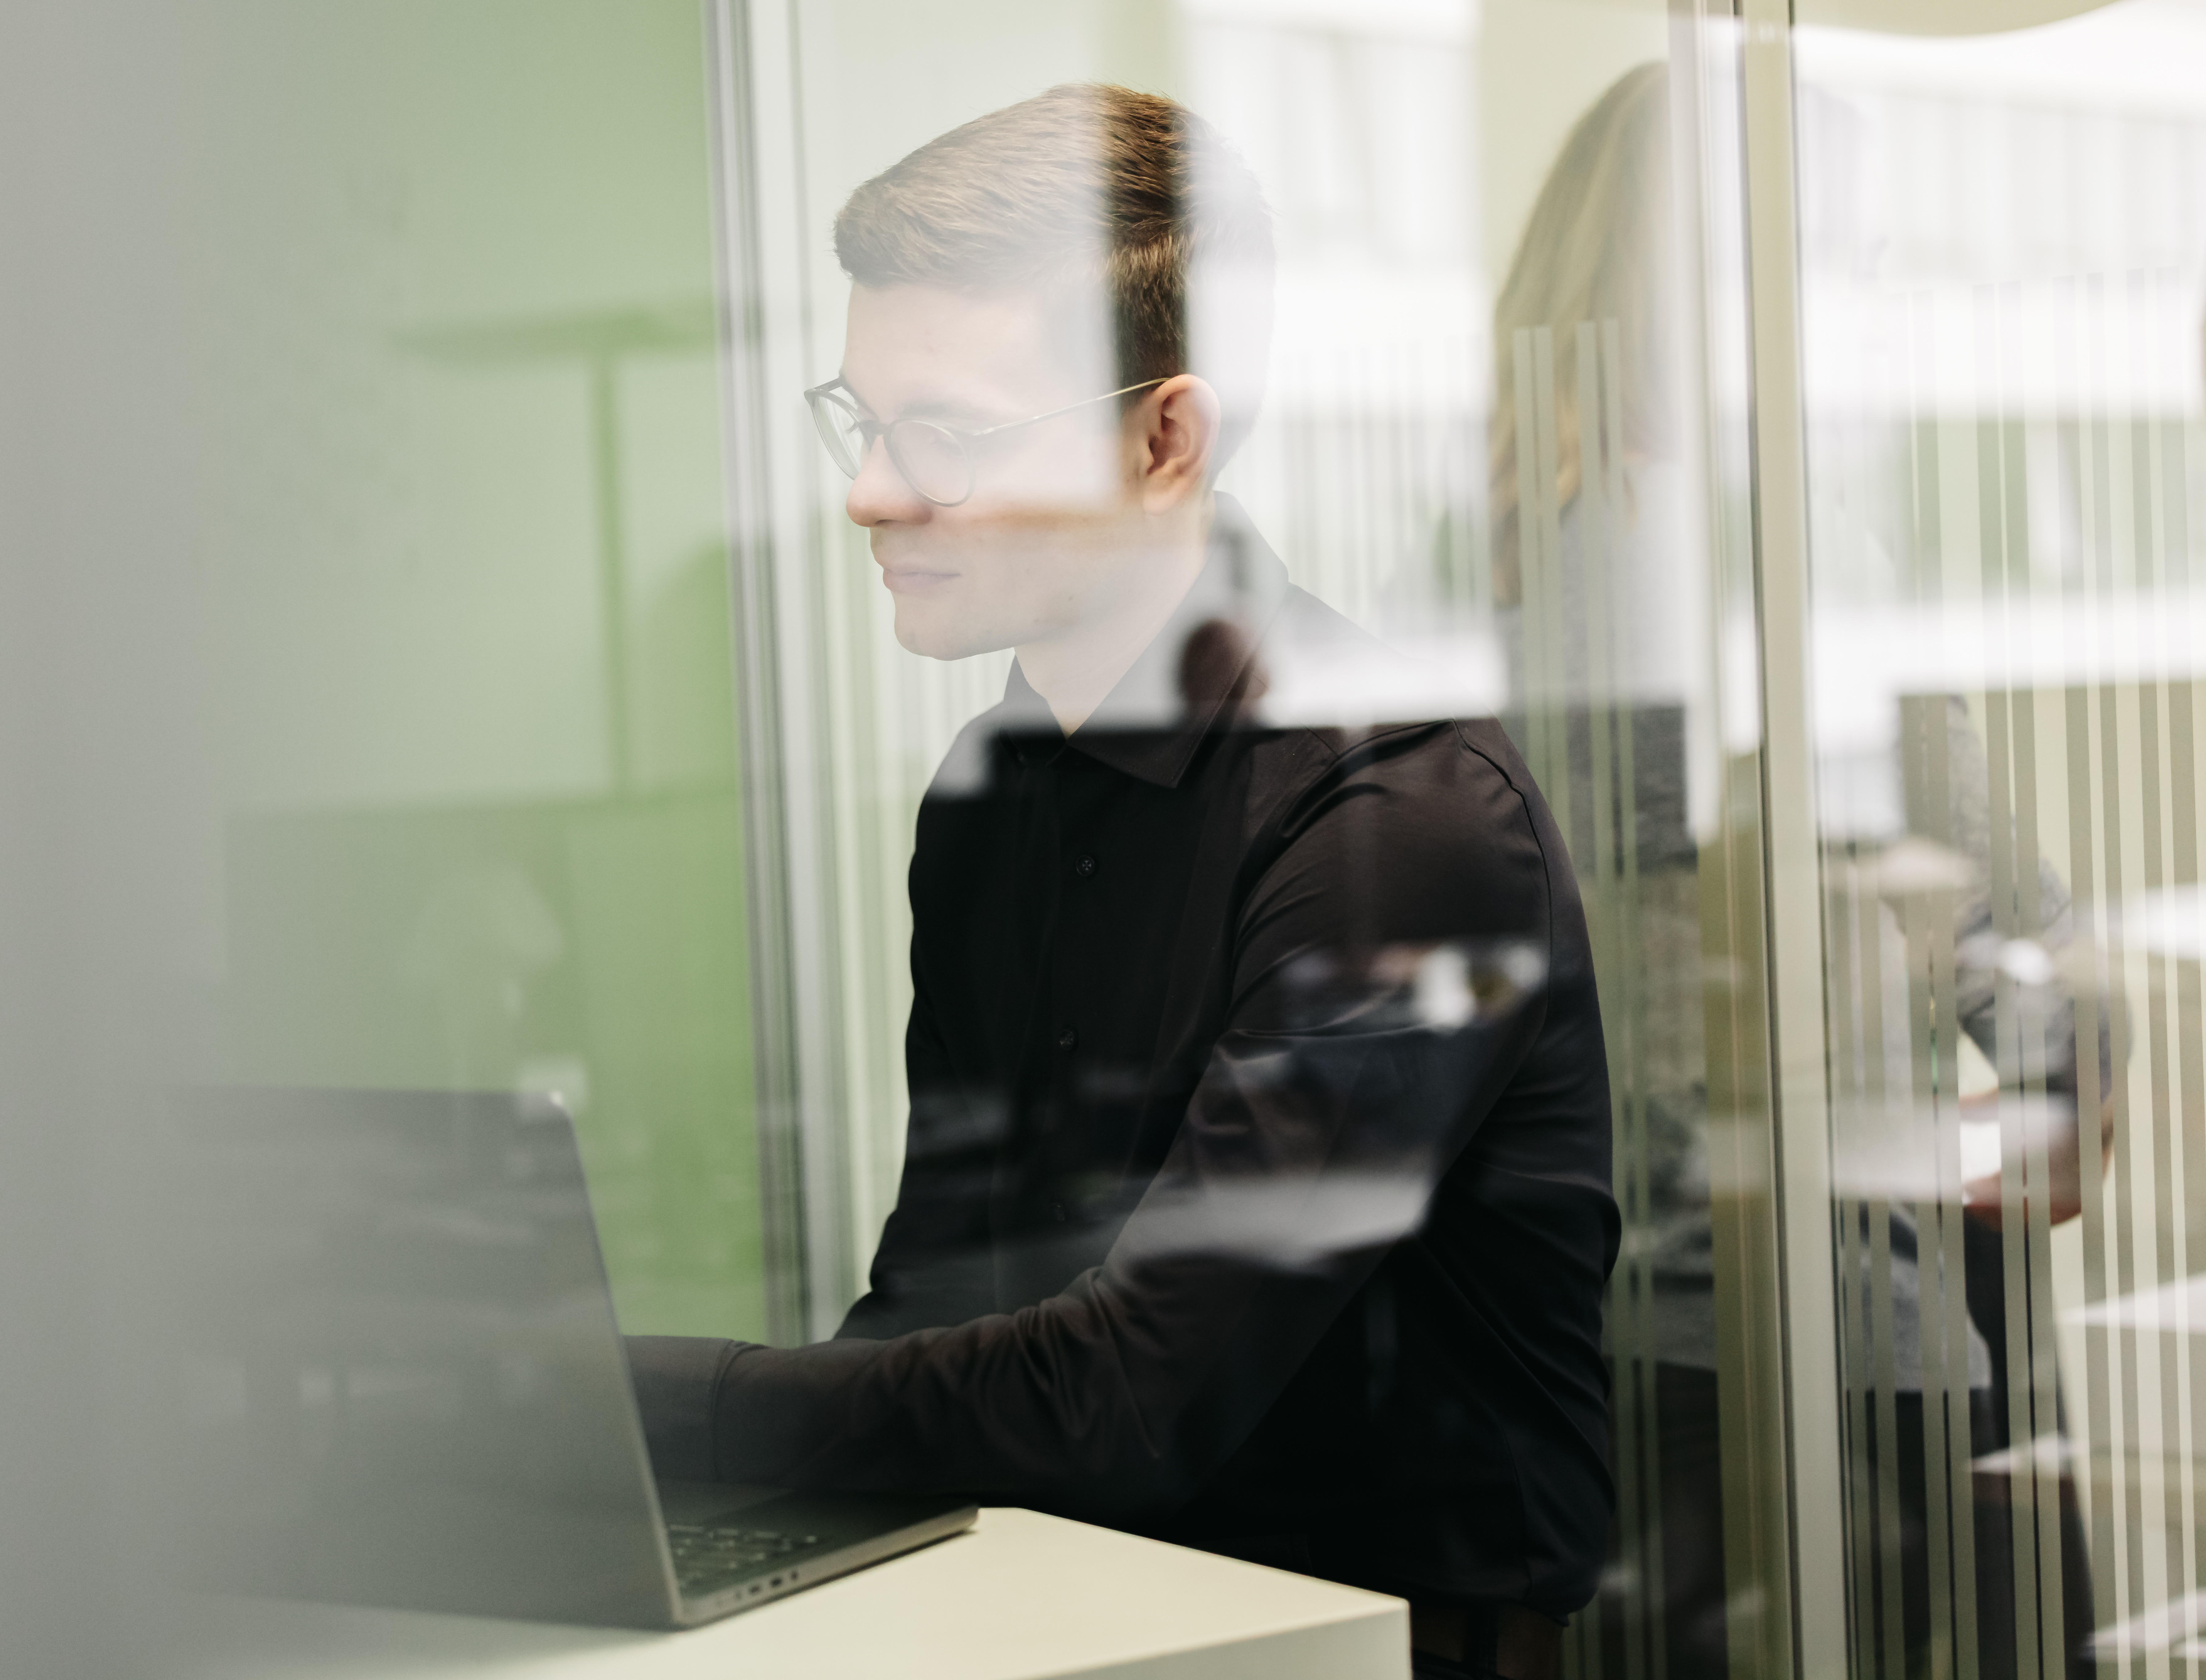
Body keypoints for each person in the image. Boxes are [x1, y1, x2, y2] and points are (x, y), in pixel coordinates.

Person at [628, 83, 1618, 1680]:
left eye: (944, 436)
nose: (870, 492)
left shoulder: (1401, 816)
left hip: (1368, 1652)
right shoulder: (990, 794)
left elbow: (1135, 1399)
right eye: (863, 422)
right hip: (1059, 1613)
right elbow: (935, 1302)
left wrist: (642, 1406)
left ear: (1166, 440)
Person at [1490, 61, 2106, 1679]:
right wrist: (2050, 1091)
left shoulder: (1497, 583)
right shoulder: (1782, 575)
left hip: (1578, 1369)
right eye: (1849, 260)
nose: (1875, 310)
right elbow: (2024, 955)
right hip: (1826, 1366)